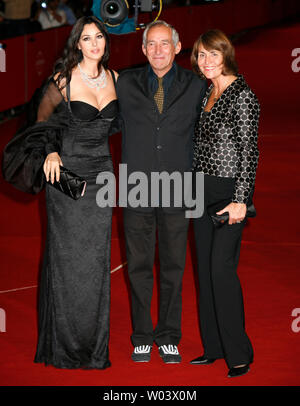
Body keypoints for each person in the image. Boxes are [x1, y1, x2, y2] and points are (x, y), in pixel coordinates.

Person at [2, 15, 118, 369]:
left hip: (103, 178)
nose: (95, 44)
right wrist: (51, 150)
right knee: (68, 260)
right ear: (76, 44)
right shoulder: (62, 81)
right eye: (87, 38)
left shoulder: (116, 78)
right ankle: (65, 348)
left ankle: (94, 348)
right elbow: (38, 123)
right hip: (66, 177)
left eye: (99, 37)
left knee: (96, 262)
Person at [116, 20, 207, 364]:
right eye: (151, 44)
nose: (157, 50)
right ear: (142, 49)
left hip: (179, 189)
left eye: (164, 44)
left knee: (173, 266)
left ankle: (168, 334)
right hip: (135, 190)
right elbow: (99, 120)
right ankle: (142, 334)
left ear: (177, 47)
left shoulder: (196, 86)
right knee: (138, 265)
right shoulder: (124, 83)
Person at [190, 29, 259, 378]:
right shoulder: (207, 91)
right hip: (198, 192)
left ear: (226, 54)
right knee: (204, 272)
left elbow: (249, 154)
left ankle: (239, 353)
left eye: (213, 55)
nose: (207, 62)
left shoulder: (242, 96)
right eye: (201, 55)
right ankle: (213, 347)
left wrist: (241, 201)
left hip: (228, 195)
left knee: (221, 269)